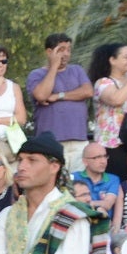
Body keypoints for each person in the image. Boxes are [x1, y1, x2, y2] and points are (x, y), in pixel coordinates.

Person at [26, 33, 93, 167]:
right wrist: (54, 67)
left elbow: (88, 91)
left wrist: (58, 96)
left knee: (79, 184)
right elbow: (41, 95)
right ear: (49, 52)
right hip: (52, 142)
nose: (66, 54)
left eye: (68, 49)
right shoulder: (37, 74)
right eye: (61, 50)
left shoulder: (77, 70)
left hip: (79, 140)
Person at [88, 42, 127, 156]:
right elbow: (116, 100)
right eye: (126, 57)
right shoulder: (103, 83)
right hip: (113, 144)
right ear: (112, 60)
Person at [73, 142, 122, 225]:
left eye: (105, 156)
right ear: (85, 161)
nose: (103, 161)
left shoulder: (113, 179)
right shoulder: (74, 177)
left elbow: (107, 204)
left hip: (104, 225)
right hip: (80, 222)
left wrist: (88, 203)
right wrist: (98, 205)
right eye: (97, 157)